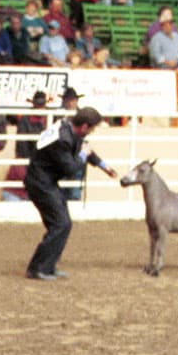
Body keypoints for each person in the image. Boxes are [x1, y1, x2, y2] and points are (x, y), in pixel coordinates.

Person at [23, 107, 117, 280]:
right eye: (92, 129)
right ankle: (37, 269)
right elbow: (71, 168)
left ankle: (47, 266)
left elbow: (86, 150)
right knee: (60, 223)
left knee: (62, 224)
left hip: (46, 182)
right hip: (40, 183)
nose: (92, 132)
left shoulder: (67, 129)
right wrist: (82, 155)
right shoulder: (63, 140)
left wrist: (104, 167)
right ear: (84, 127)